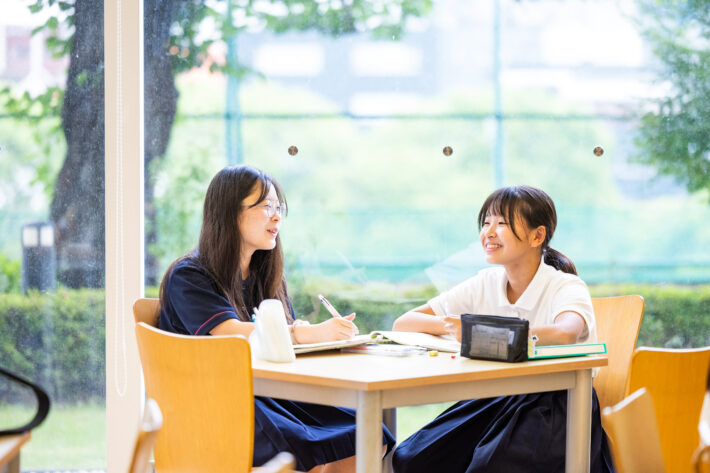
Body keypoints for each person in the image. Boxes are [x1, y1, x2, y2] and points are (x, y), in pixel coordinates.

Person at [158, 164, 394, 473]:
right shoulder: (189, 276)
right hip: (217, 404)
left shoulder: (264, 274)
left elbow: (284, 345)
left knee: (371, 434)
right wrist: (305, 332)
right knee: (309, 446)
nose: (277, 216)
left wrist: (326, 340)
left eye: (278, 207)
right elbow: (233, 333)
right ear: (230, 212)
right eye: (266, 206)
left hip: (269, 395)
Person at [390, 185, 614, 473]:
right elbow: (404, 323)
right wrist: (456, 327)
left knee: (488, 467)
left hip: (557, 402)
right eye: (486, 222)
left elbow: (565, 333)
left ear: (537, 236)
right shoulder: (485, 282)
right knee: (412, 458)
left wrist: (482, 331)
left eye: (502, 223)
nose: (489, 232)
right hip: (496, 396)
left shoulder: (565, 285)